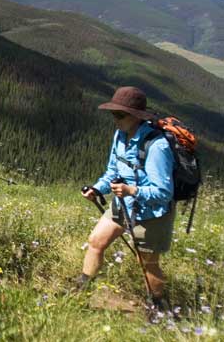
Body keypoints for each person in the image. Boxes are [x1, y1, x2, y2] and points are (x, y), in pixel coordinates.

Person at [79, 86, 174, 308]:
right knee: (95, 241)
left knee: (147, 263)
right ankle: (80, 292)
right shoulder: (120, 135)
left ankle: (160, 309)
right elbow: (113, 171)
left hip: (152, 213)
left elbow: (163, 192)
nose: (115, 119)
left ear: (137, 116)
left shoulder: (157, 146)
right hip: (123, 204)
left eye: (120, 115)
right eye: (113, 113)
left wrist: (132, 191)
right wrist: (98, 189)